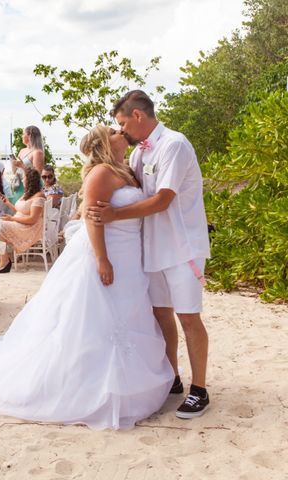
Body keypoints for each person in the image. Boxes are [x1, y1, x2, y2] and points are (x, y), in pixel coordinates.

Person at [0, 125, 174, 429]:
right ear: (105, 142)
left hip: (130, 255)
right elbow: (91, 218)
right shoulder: (102, 173)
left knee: (126, 314)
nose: (121, 132)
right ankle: (89, 384)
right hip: (108, 253)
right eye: (115, 130)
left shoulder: (126, 169)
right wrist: (102, 259)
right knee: (96, 320)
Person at [86, 90, 211, 419]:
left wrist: (113, 217)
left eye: (123, 122)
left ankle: (200, 390)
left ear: (138, 116)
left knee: (188, 317)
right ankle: (172, 378)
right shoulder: (139, 154)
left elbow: (162, 200)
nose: (122, 129)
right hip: (151, 248)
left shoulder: (174, 144)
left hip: (182, 247)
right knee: (161, 316)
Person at [0, 168, 46, 273]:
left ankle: (5, 261)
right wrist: (7, 203)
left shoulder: (39, 196)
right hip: (20, 223)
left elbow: (33, 219)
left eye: (24, 178)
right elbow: (20, 210)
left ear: (30, 180)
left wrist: (12, 218)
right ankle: (5, 259)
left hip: (28, 228)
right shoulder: (27, 194)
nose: (22, 180)